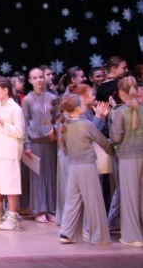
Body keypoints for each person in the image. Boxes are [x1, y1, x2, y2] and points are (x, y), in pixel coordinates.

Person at [58, 93, 115, 245]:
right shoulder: (85, 124)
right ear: (78, 108)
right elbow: (102, 141)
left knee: (72, 200)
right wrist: (113, 151)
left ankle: (66, 233)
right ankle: (98, 236)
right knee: (93, 201)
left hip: (73, 166)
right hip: (87, 166)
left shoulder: (64, 125)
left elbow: (63, 148)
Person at [0, 76, 25, 230]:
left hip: (8, 151)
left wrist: (2, 122)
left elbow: (19, 132)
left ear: (5, 90)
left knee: (10, 185)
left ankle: (13, 217)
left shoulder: (15, 108)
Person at [109, 77, 143, 247]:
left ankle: (132, 236)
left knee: (129, 197)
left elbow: (116, 137)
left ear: (122, 93)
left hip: (127, 157)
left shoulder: (120, 112)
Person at [23, 67, 59, 223]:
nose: (39, 80)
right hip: (35, 140)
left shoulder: (52, 97)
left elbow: (60, 117)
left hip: (50, 140)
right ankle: (39, 210)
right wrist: (26, 144)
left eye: (41, 77)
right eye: (35, 78)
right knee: (37, 175)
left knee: (50, 174)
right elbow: (24, 123)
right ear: (30, 81)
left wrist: (56, 128)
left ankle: (51, 209)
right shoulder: (27, 99)